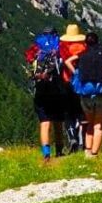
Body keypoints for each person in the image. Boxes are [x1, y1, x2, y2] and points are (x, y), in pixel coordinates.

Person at [65, 32, 102, 157]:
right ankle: (95, 153)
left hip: (86, 95)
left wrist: (76, 73)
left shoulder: (82, 54)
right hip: (101, 93)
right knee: (98, 125)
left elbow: (68, 61)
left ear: (86, 43)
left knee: (90, 123)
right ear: (97, 41)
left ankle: (87, 151)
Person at [24, 27, 69, 164]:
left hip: (40, 93)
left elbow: (29, 63)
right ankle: (59, 150)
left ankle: (46, 154)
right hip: (56, 92)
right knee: (58, 122)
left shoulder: (36, 49)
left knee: (44, 123)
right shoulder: (58, 47)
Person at [57, 23, 89, 152]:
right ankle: (83, 140)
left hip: (66, 83)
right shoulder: (84, 47)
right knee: (82, 112)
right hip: (82, 83)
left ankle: (72, 137)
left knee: (68, 113)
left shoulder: (63, 48)